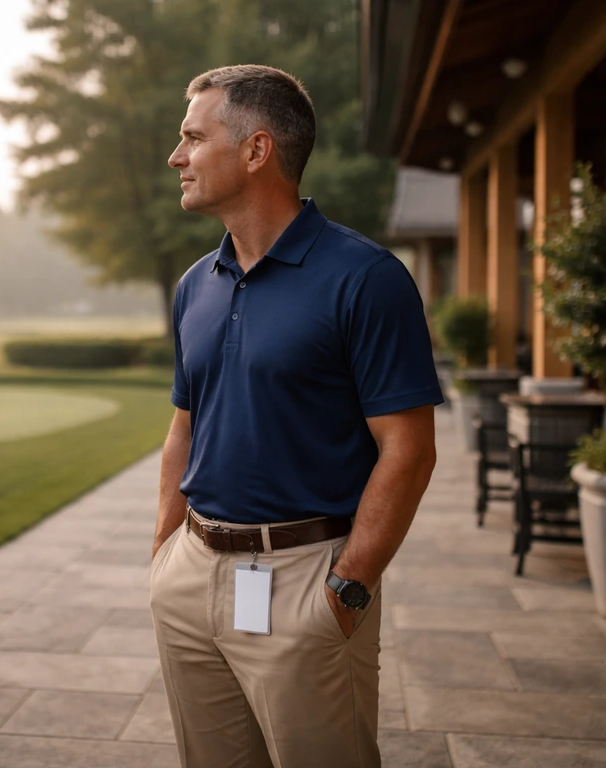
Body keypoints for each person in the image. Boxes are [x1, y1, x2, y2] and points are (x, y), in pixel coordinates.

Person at [149, 64, 443, 768]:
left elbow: (409, 448)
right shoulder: (196, 283)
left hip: (305, 580)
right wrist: (164, 557)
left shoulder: (366, 280)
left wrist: (347, 587)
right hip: (191, 578)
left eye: (193, 137)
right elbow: (183, 427)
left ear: (256, 151)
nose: (176, 156)